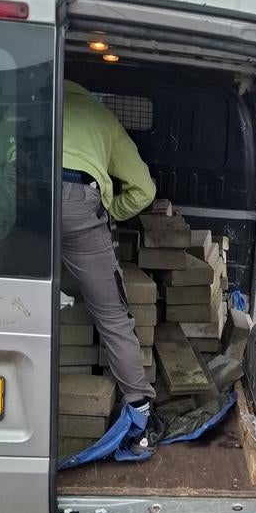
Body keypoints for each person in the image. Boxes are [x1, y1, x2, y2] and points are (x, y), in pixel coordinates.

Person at [62, 80, 164, 453]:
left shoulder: (33, 101)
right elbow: (144, 190)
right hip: (77, 201)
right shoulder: (102, 117)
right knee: (111, 316)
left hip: (22, 196)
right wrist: (108, 213)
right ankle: (139, 411)